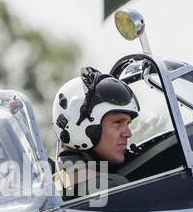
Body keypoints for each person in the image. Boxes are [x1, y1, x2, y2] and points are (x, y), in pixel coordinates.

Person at [51, 66, 140, 198]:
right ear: (80, 125)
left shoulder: (48, 182)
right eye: (117, 123)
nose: (128, 133)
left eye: (127, 124)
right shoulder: (110, 188)